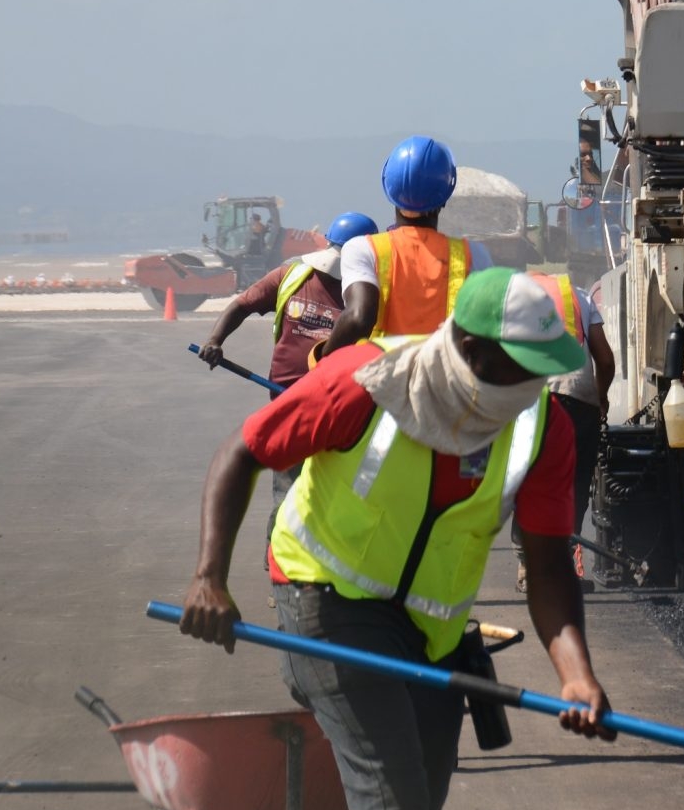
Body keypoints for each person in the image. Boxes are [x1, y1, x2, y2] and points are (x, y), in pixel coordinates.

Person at [177, 268, 615, 810]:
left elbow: (549, 566)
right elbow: (241, 451)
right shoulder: (364, 381)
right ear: (473, 348)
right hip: (325, 601)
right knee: (392, 802)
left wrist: (576, 675)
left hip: (433, 634)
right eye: (526, 366)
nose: (542, 382)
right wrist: (210, 575)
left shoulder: (540, 426)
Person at [320, 136, 491, 355]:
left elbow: (358, 317)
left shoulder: (362, 249)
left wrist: (322, 363)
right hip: (442, 383)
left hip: (379, 380)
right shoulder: (474, 255)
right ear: (445, 197)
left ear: (389, 190)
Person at [512, 271, 616, 592]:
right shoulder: (581, 296)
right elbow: (605, 359)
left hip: (533, 402)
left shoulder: (512, 299)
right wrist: (600, 398)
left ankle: (528, 567)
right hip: (579, 401)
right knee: (572, 486)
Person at [200, 213, 379, 394]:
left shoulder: (372, 294)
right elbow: (241, 305)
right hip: (283, 389)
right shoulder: (290, 276)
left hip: (336, 393)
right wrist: (214, 341)